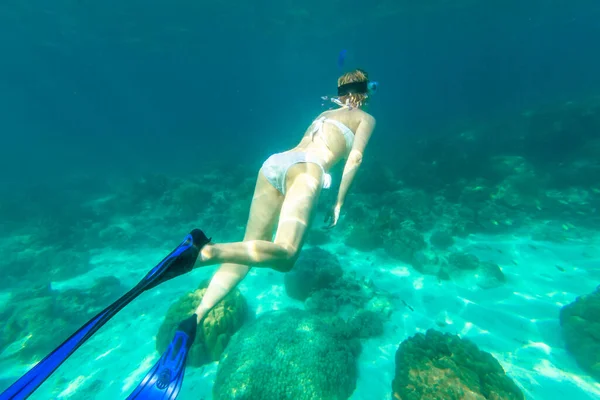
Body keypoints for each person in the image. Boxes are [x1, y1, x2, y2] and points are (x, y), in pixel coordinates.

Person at [192, 68, 377, 324]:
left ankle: (198, 314)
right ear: (365, 93)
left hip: (276, 163)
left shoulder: (323, 113)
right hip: (307, 168)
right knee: (286, 256)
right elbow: (355, 158)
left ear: (341, 93)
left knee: (247, 249)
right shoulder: (365, 119)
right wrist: (338, 203)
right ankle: (206, 252)